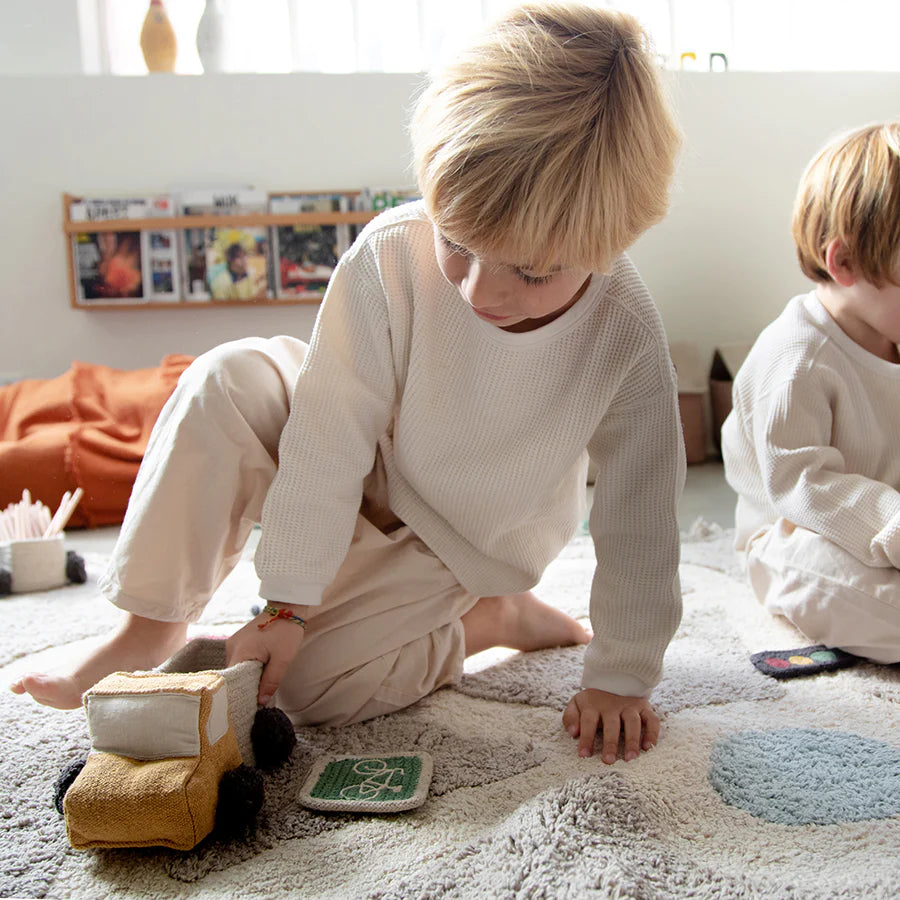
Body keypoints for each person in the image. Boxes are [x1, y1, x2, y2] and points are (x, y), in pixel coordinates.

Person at [11, 2, 684, 763]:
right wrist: (284, 606)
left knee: (314, 691)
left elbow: (641, 519)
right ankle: (149, 624)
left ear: (614, 241)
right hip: (363, 460)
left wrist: (623, 675)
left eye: (531, 274)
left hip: (455, 540)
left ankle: (491, 620)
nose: (479, 294)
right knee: (226, 380)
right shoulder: (390, 255)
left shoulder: (623, 333)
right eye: (458, 245)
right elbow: (329, 430)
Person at [721, 121, 900, 664]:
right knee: (883, 608)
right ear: (844, 263)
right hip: (796, 536)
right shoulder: (797, 358)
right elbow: (804, 484)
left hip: (886, 522)